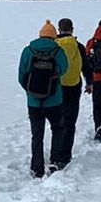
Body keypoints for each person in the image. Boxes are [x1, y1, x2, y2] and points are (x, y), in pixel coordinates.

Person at [20, 22, 67, 176]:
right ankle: (55, 160)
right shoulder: (58, 51)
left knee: (37, 134)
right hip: (54, 100)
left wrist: (31, 91)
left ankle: (37, 167)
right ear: (54, 36)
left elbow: (22, 75)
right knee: (58, 129)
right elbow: (64, 69)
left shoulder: (28, 50)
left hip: (33, 101)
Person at [53, 17, 85, 169]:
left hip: (55, 87)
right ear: (72, 29)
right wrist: (90, 82)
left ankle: (55, 153)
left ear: (59, 30)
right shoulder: (78, 46)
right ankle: (65, 156)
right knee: (70, 120)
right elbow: (86, 66)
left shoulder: (53, 45)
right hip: (73, 85)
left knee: (57, 121)